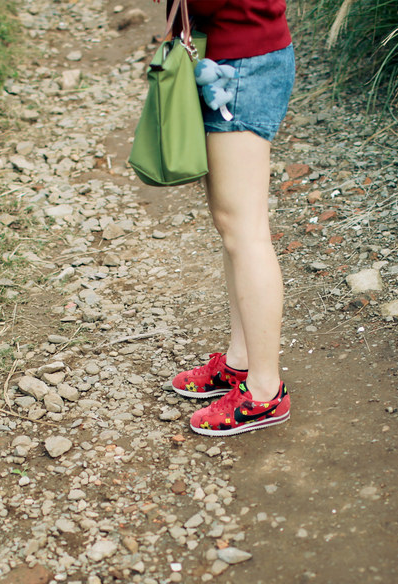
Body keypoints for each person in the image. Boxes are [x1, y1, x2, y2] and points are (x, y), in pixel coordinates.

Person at [161, 0, 295, 436]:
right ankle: (240, 364)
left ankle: (263, 393)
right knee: (231, 226)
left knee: (247, 232)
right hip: (224, 57)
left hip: (242, 65)